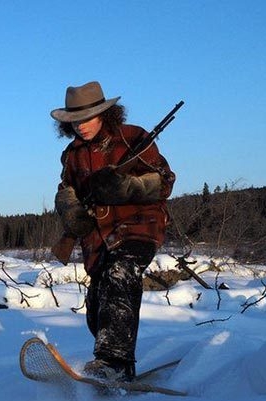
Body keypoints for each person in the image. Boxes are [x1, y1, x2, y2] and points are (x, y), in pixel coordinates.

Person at [51, 81, 176, 381]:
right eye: (74, 121)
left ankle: (113, 364)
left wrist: (129, 187)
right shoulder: (72, 156)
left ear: (104, 114)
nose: (81, 126)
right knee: (97, 307)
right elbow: (68, 191)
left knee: (121, 273)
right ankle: (117, 365)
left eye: (87, 118)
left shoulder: (132, 138)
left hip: (139, 226)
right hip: (98, 238)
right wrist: (70, 211)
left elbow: (165, 181)